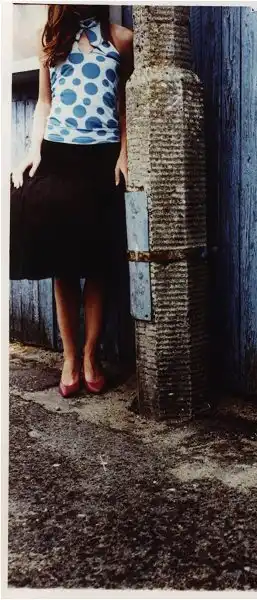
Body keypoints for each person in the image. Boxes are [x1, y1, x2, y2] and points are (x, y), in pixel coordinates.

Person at [10, 5, 134, 398]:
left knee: (97, 264)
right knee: (62, 265)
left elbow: (127, 104)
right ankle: (69, 357)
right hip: (59, 157)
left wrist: (124, 154)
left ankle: (90, 356)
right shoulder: (50, 38)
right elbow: (44, 103)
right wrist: (33, 150)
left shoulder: (122, 40)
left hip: (102, 160)